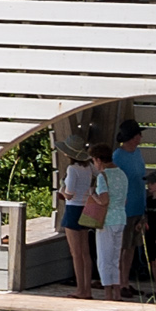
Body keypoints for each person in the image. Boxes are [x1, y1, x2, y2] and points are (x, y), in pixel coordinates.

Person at [103, 116, 156, 296]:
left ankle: (125, 281)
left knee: (132, 246)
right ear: (132, 137)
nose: (140, 138)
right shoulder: (118, 156)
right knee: (121, 247)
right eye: (138, 134)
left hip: (138, 206)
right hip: (124, 209)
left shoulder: (138, 153)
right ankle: (118, 283)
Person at [53, 123, 106, 294]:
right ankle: (87, 290)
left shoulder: (72, 169)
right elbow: (100, 176)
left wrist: (60, 188)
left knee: (76, 253)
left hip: (73, 209)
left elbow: (68, 194)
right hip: (86, 207)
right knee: (85, 253)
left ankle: (80, 290)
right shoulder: (90, 167)